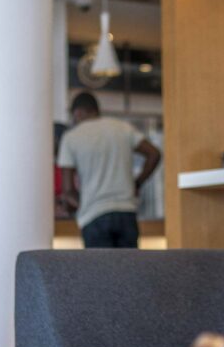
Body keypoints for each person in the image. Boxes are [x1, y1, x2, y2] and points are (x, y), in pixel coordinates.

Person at [58, 92, 161, 248]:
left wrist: (84, 204)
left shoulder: (71, 137)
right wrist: (137, 183)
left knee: (100, 272)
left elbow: (68, 190)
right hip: (126, 213)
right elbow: (154, 154)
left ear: (77, 113)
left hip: (94, 216)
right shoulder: (122, 128)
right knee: (128, 271)